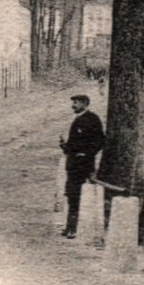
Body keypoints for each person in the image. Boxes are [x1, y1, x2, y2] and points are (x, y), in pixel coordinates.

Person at [59, 93, 105, 238]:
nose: (73, 106)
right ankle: (70, 227)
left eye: (76, 103)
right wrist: (65, 146)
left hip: (83, 165)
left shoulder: (92, 119)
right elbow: (74, 145)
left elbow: (100, 141)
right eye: (73, 103)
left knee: (78, 196)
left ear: (85, 103)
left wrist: (87, 154)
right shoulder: (78, 119)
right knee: (71, 195)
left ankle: (74, 229)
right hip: (73, 165)